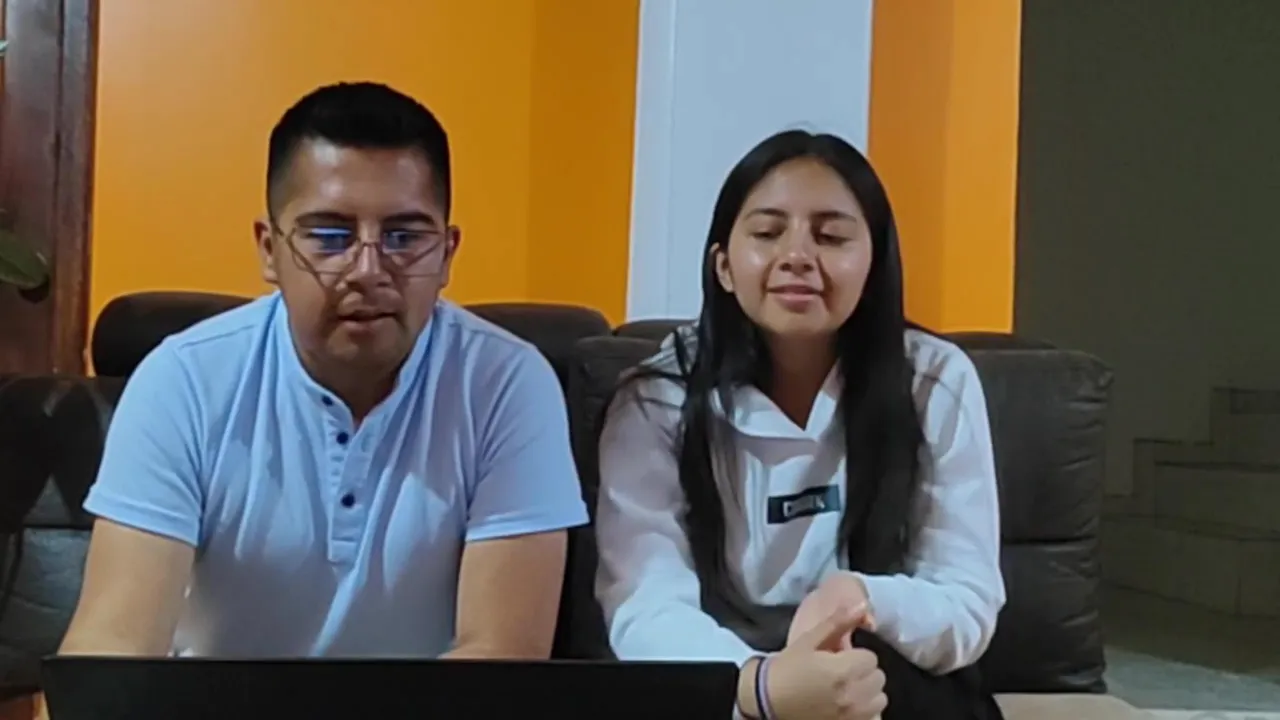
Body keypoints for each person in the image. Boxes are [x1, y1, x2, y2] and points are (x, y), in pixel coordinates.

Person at [58, 82, 587, 660]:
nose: (367, 269)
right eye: (330, 237)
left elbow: (501, 655)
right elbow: (113, 643)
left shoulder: (507, 384)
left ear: (447, 254)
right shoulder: (183, 380)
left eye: (404, 238)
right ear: (269, 249)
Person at [594, 130, 1006, 720]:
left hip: (879, 677)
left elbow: (966, 598)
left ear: (874, 262)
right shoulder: (658, 398)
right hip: (725, 678)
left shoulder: (934, 381)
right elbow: (644, 602)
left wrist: (860, 598)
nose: (797, 256)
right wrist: (762, 687)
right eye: (767, 233)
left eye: (831, 237)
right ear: (724, 266)